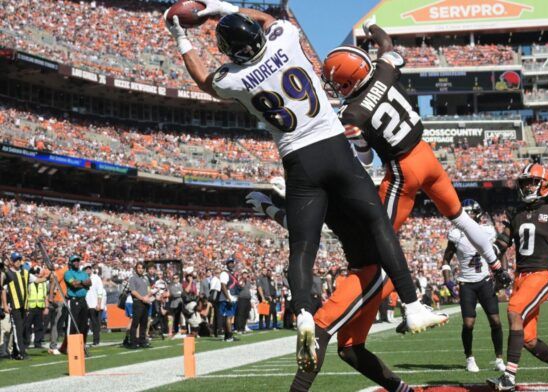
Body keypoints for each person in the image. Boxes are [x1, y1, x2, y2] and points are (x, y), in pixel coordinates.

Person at [164, 0, 445, 368]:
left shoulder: (233, 78)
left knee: (302, 247)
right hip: (333, 149)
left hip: (298, 163)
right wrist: (219, 6)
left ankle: (303, 315)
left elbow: (205, 80)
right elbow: (268, 20)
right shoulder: (285, 38)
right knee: (378, 223)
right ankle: (411, 305)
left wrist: (180, 36)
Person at [321, 21, 509, 298]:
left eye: (339, 83)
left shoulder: (351, 114)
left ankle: (401, 301)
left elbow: (366, 157)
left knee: (379, 241)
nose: (336, 88)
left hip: (402, 171)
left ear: (350, 81)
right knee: (462, 219)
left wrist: (357, 143)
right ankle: (497, 267)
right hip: (426, 154)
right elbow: (387, 46)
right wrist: (374, 29)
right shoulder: (384, 70)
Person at [247, 193, 414, 391]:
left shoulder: (341, 194)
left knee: (317, 328)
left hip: (374, 270)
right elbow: (302, 227)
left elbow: (303, 227)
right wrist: (269, 208)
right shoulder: (339, 194)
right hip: (369, 271)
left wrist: (269, 208)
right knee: (350, 349)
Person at [487, 164, 548, 392]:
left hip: (541, 275)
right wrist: (486, 253)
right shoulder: (515, 213)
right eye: (524, 182)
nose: (527, 186)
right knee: (528, 339)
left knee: (514, 310)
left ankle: (509, 378)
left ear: (544, 184)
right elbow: (500, 245)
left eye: (532, 181)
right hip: (520, 278)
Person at [442, 199, 505, 373]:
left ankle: (499, 358)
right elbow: (446, 258)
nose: (468, 216)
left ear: (477, 213)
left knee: (495, 321)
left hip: (485, 281)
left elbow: (500, 252)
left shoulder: (488, 231)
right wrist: (447, 279)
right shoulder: (456, 234)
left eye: (471, 212)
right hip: (466, 283)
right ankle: (469, 358)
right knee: (468, 324)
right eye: (466, 212)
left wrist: (501, 273)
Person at [2, 253, 35, 359]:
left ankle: (18, 351)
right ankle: (21, 352)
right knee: (18, 330)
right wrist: (5, 306)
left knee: (23, 329)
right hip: (14, 306)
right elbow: (3, 290)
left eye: (19, 259)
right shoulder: (7, 274)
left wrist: (49, 276)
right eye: (16, 260)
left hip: (24, 306)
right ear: (12, 261)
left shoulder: (25, 272)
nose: (18, 261)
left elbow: (37, 279)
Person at [59, 255, 90, 355]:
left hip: (83, 300)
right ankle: (68, 347)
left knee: (84, 325)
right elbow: (74, 284)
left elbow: (90, 282)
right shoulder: (68, 273)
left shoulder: (83, 273)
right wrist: (83, 283)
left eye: (78, 260)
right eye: (74, 261)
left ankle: (82, 345)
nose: (76, 262)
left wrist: (80, 283)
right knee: (72, 325)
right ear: (71, 263)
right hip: (73, 300)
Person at [127, 262, 152, 349]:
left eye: (142, 268)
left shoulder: (146, 278)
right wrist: (142, 298)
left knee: (144, 324)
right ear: (136, 269)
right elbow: (133, 291)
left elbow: (149, 290)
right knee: (135, 323)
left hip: (146, 303)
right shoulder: (133, 278)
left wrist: (147, 296)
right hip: (138, 302)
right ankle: (133, 342)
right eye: (139, 268)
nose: (140, 269)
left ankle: (142, 341)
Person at [24, 266, 49, 350]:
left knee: (39, 326)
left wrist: (46, 307)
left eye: (38, 272)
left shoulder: (43, 283)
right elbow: (25, 296)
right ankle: (26, 343)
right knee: (27, 326)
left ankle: (37, 343)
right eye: (36, 272)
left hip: (39, 307)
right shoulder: (28, 282)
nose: (37, 274)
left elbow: (45, 296)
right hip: (30, 308)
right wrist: (26, 308)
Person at [84, 264, 105, 346]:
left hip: (93, 304)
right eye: (86, 269)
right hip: (85, 304)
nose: (88, 270)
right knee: (83, 324)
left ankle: (96, 341)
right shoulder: (82, 278)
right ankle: (83, 341)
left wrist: (99, 303)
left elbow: (100, 291)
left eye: (89, 268)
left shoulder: (96, 278)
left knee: (95, 324)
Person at [219, 259, 239, 342]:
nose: (231, 265)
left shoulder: (231, 274)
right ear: (227, 264)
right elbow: (223, 285)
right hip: (228, 298)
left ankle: (227, 336)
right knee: (228, 316)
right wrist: (227, 297)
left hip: (233, 297)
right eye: (230, 263)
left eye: (232, 263)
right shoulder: (224, 273)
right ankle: (229, 335)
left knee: (230, 317)